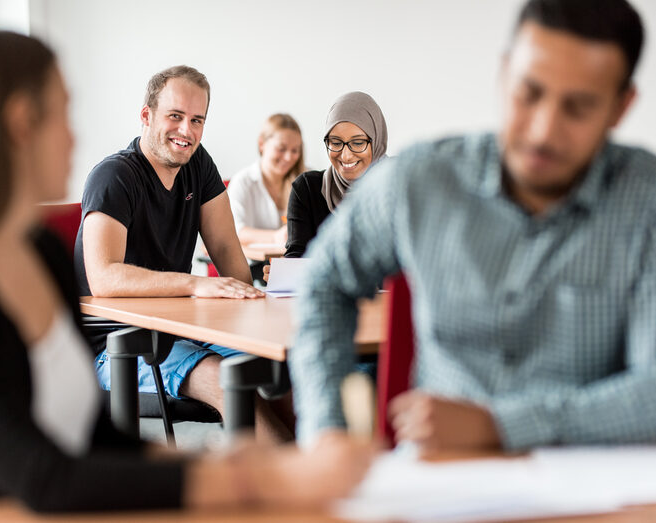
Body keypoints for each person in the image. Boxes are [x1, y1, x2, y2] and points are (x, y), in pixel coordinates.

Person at [0, 29, 376, 522]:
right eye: (62, 114)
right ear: (19, 124)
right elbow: (42, 475)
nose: (73, 135)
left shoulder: (39, 253)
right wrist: (255, 482)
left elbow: (98, 439)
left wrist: (260, 474)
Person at [290, 0, 656, 453]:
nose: (543, 131)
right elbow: (324, 282)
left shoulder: (647, 204)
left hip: (601, 488)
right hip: (440, 480)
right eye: (529, 93)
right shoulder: (422, 180)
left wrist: (502, 426)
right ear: (504, 75)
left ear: (621, 107)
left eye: (578, 108)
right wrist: (327, 426)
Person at [74, 66, 294, 442]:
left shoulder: (198, 165)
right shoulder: (114, 177)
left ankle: (316, 476)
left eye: (197, 120)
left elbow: (225, 247)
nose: (187, 131)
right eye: (175, 116)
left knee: (284, 362)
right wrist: (195, 285)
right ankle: (296, 486)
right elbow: (104, 276)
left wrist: (251, 312)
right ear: (146, 116)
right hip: (114, 345)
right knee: (226, 379)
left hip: (181, 329)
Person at [285, 91, 387, 259]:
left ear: (376, 140)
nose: (346, 155)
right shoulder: (307, 189)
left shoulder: (398, 186)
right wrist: (285, 272)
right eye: (335, 142)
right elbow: (297, 258)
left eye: (358, 142)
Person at [228, 114, 304, 281]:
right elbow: (235, 231)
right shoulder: (244, 182)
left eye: (295, 150)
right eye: (281, 148)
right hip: (252, 271)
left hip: (294, 269)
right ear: (262, 144)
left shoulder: (305, 181)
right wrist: (276, 236)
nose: (288, 157)